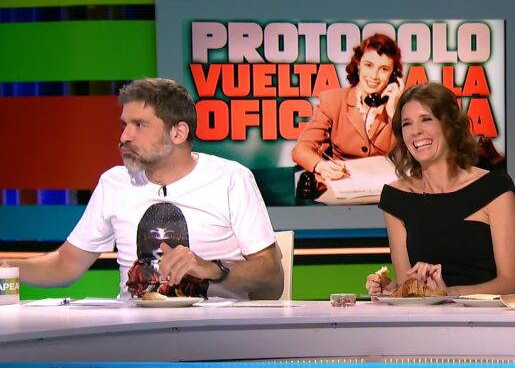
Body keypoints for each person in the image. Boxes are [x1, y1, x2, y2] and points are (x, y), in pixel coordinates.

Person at [4, 78, 283, 300]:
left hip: (215, 335)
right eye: (125, 125)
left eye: (140, 125)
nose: (124, 136)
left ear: (178, 133)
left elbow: (272, 278)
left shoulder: (230, 179)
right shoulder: (113, 183)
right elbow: (65, 264)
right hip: (133, 335)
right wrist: (8, 268)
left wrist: (211, 268)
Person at [364, 82, 515, 296]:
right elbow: (406, 283)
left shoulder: (494, 187)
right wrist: (392, 288)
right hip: (425, 315)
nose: (416, 131)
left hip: (483, 314)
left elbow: (509, 283)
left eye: (426, 119)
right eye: (407, 124)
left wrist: (449, 294)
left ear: (450, 125)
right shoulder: (396, 197)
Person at [292, 33, 404, 181]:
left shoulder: (403, 106)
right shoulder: (332, 101)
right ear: (358, 66)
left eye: (384, 69)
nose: (374, 76)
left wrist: (393, 113)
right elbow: (300, 149)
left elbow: (416, 155)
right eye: (368, 65)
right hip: (343, 181)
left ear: (393, 74)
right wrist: (321, 166)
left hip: (386, 184)